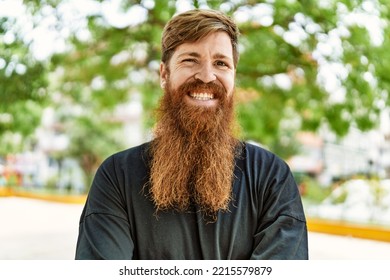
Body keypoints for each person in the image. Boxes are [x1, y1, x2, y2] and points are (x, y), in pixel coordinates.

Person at [75, 8, 308, 260]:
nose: (207, 76)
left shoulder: (272, 178)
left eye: (221, 63)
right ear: (164, 74)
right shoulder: (116, 178)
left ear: (233, 76)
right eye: (190, 60)